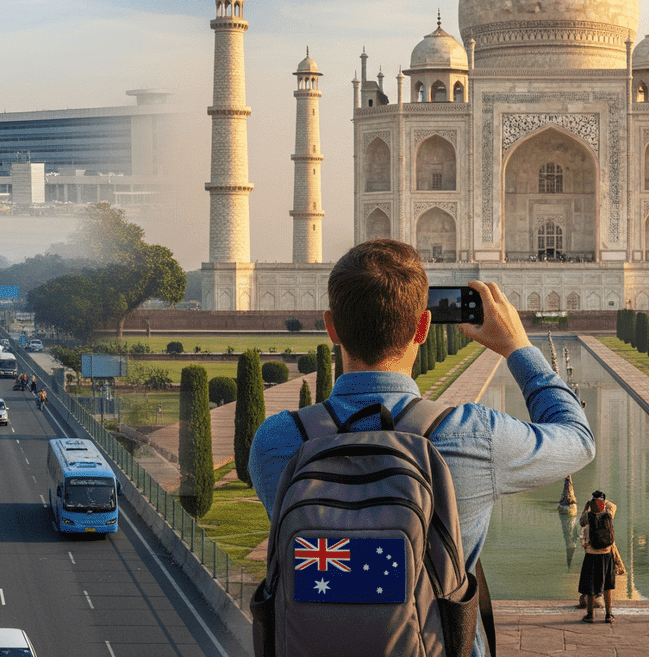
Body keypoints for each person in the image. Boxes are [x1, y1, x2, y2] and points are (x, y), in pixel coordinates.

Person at [248, 239, 596, 656]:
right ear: (422, 328)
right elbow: (578, 439)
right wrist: (518, 348)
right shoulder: (472, 436)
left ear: (331, 327)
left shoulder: (276, 442)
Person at [576, 491, 620, 623]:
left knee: (591, 586)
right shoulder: (609, 514)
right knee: (607, 586)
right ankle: (609, 615)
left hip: (591, 554)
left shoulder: (587, 516)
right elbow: (613, 505)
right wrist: (602, 502)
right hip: (607, 554)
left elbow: (581, 522)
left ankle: (590, 615)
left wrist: (587, 506)